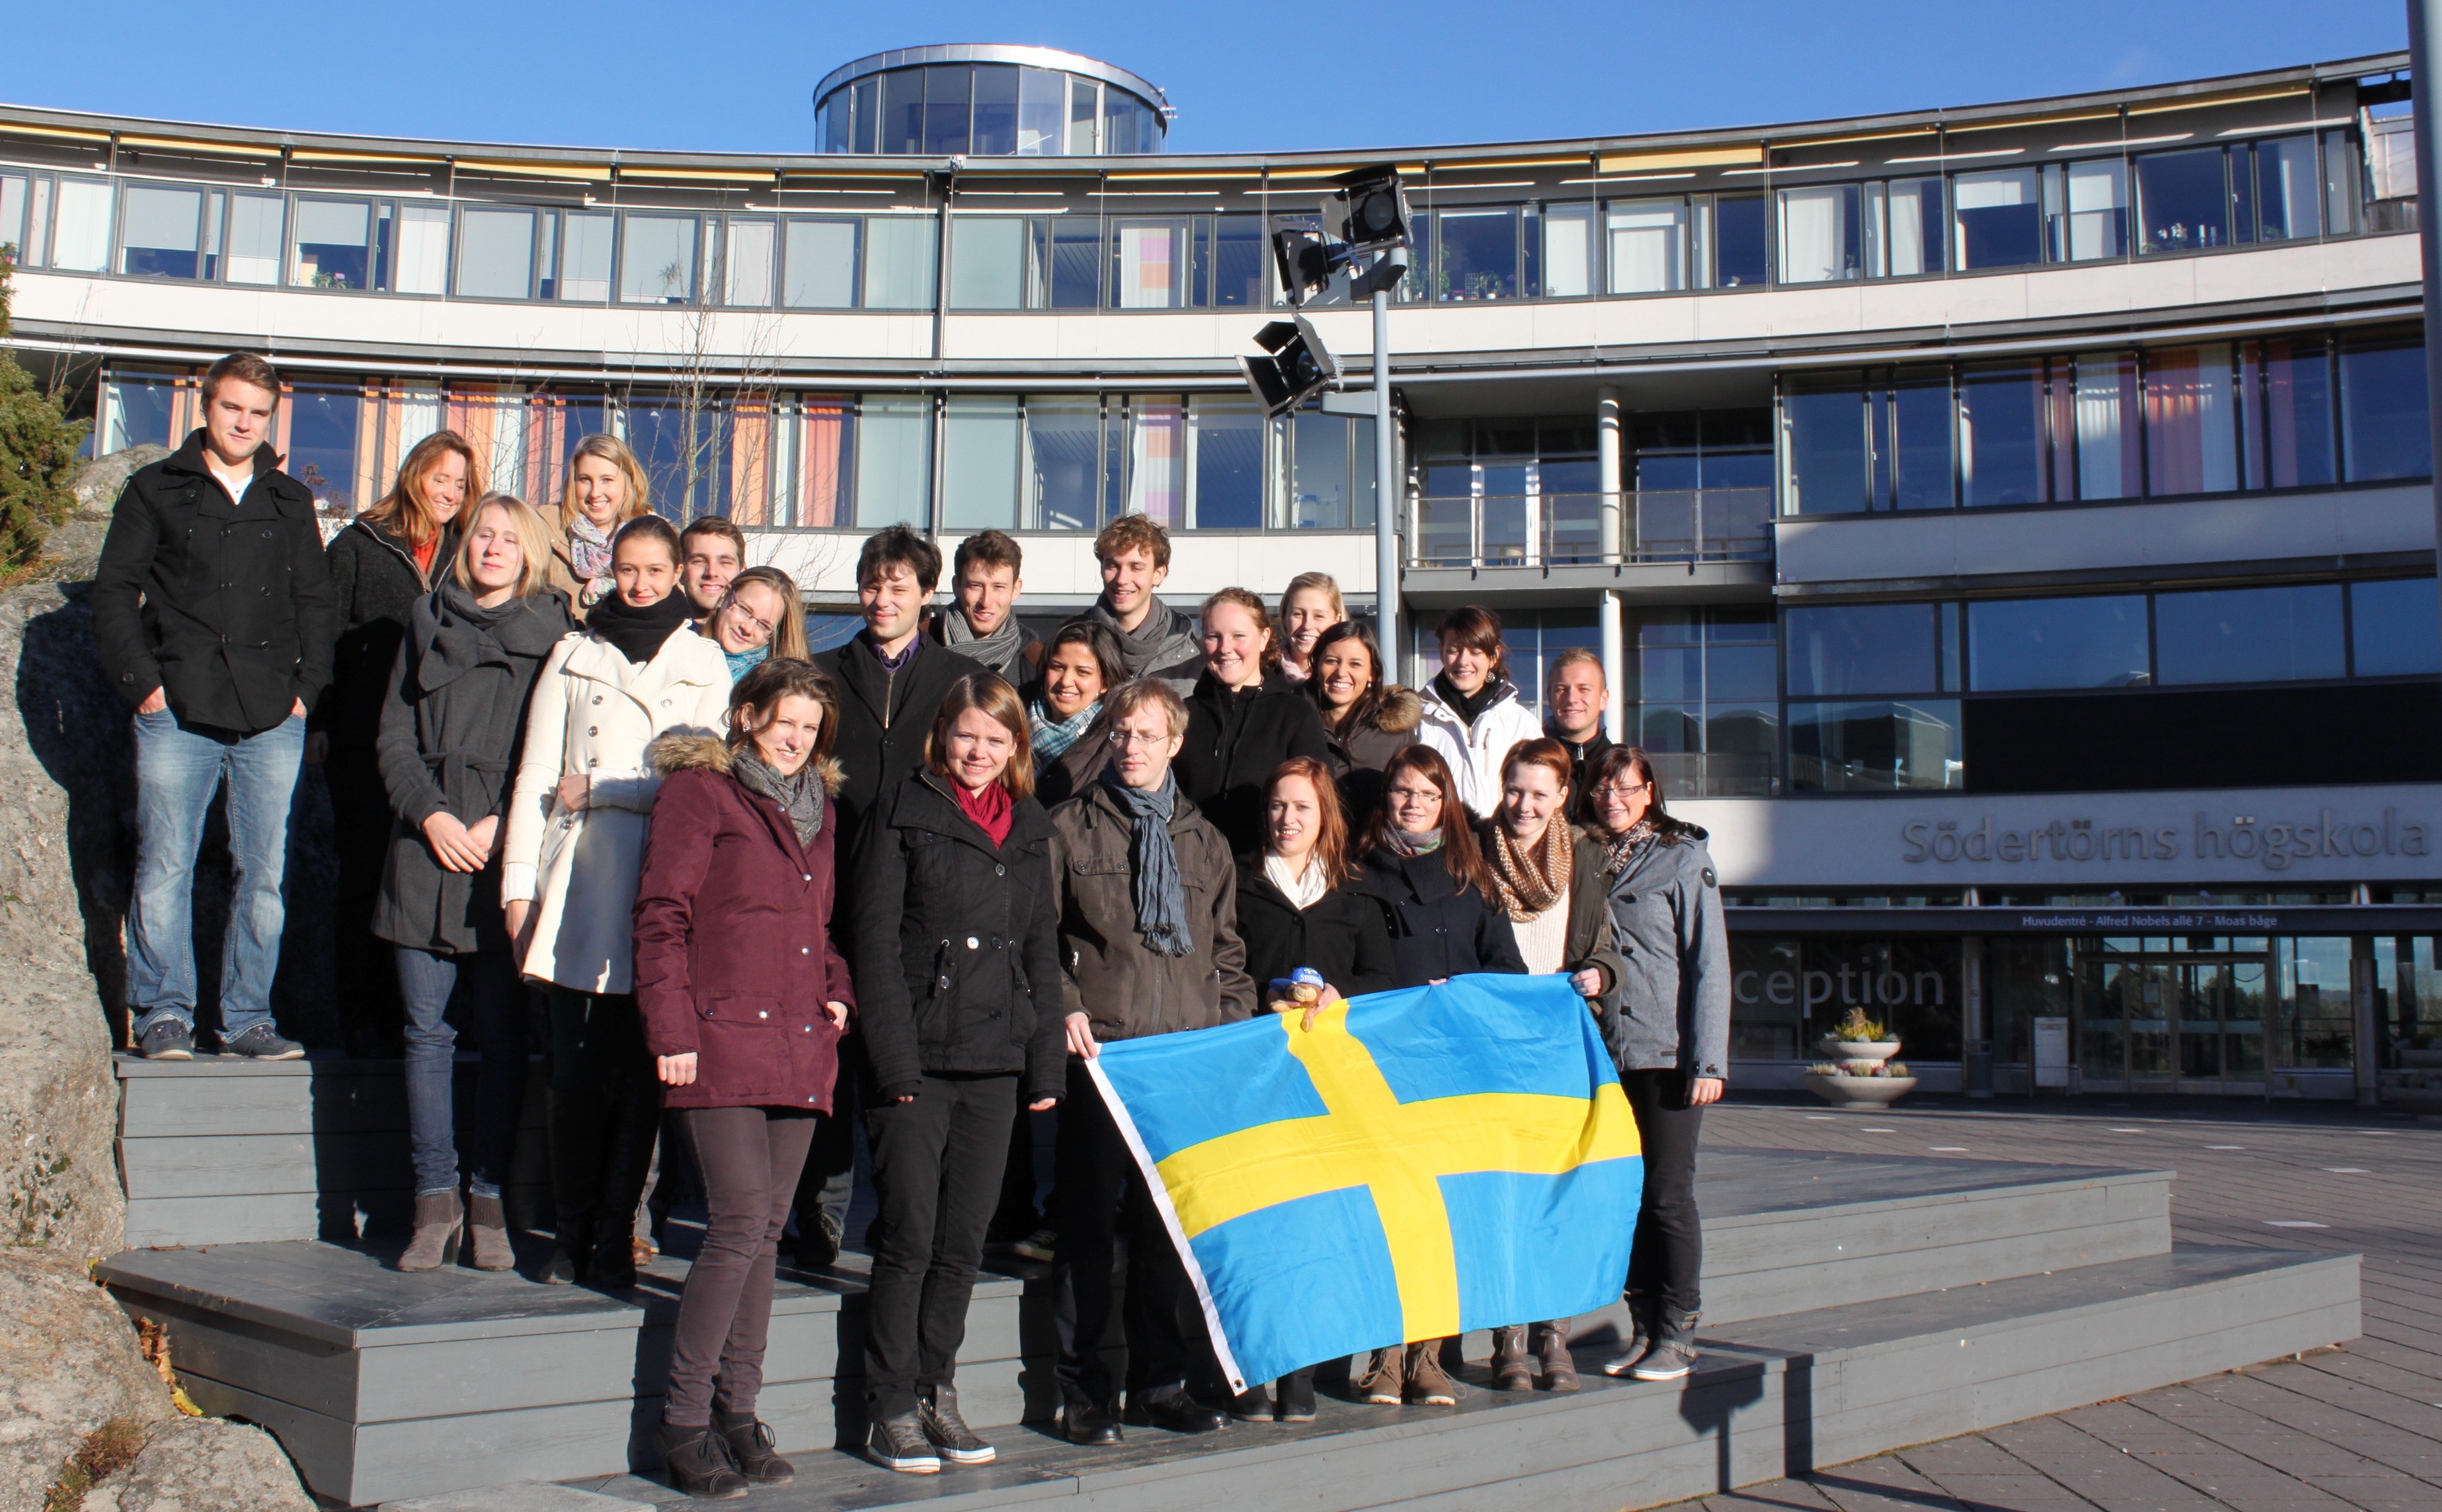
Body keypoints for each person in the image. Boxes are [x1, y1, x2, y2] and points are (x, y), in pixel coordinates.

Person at [632, 658, 853, 1499]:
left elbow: (818, 925)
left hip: (800, 1039)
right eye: (783, 721)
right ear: (748, 715)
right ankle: (682, 1421)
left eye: (809, 728)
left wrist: (838, 990)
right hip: (718, 1035)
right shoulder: (702, 793)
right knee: (734, 1224)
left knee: (764, 1230)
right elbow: (662, 914)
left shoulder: (819, 811)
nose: (796, 740)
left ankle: (739, 1412)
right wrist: (670, 1028)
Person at [501, 514, 732, 1288]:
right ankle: (569, 1233)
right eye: (626, 569)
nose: (639, 584)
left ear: (676, 574)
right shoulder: (573, 652)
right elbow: (536, 775)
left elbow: (702, 783)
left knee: (639, 1081)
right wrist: (516, 886)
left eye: (653, 570)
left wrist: (603, 788)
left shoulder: (705, 661)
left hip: (664, 890)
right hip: (575, 885)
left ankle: (612, 1235)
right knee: (573, 1077)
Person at [850, 673, 1065, 1475]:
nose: (978, 751)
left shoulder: (1030, 826)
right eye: (966, 734)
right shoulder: (901, 811)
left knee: (963, 1241)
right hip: (916, 1056)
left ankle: (938, 1389)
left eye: (996, 739)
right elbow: (873, 942)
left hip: (996, 1061)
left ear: (1015, 748)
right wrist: (893, 1058)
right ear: (942, 734)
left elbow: (1040, 950)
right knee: (908, 1236)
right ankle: (892, 1405)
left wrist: (1043, 1058)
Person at [93, 353, 336, 1061]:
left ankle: (246, 1018)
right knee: (165, 865)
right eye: (233, 408)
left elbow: (315, 604)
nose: (244, 423)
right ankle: (162, 1013)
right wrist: (143, 684)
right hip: (178, 708)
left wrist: (306, 692)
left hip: (270, 714)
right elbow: (114, 591)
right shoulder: (154, 488)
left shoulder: (289, 500)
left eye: (258, 413)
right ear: (208, 406)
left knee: (262, 874)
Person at [371, 495, 575, 1273]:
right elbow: (391, 733)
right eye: (483, 534)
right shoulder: (425, 618)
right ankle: (434, 1201)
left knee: (502, 1037)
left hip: (504, 847)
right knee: (425, 1034)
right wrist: (430, 815)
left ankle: (487, 1196)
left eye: (508, 538)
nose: (493, 546)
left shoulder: (555, 636)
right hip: (425, 845)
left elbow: (552, 748)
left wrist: (496, 823)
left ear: (529, 553)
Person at [1051, 678, 1254, 1444]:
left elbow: (1228, 952)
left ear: (1174, 742)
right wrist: (1066, 1003)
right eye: (1121, 733)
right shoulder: (1069, 827)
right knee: (1088, 1229)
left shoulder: (1203, 839)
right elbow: (1041, 934)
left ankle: (1159, 1379)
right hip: (1104, 1056)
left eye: (1147, 734)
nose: (1132, 747)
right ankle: (1083, 1387)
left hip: (1185, 1063)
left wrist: (1226, 1037)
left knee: (1168, 1231)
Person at [798, 525, 978, 1269]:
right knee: (828, 1055)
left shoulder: (956, 678)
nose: (881, 598)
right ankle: (819, 1212)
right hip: (831, 886)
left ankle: (891, 1215)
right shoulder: (825, 671)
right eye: (872, 584)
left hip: (917, 896)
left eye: (898, 586)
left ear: (926, 595)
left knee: (897, 1055)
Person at [1348, 743, 1527, 1409]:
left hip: (1451, 1070)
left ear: (1446, 802)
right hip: (1381, 1068)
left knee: (1439, 1219)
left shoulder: (1471, 875)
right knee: (1387, 1214)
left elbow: (1508, 970)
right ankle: (1383, 1358)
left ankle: (1429, 1356)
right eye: (1401, 790)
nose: (1413, 803)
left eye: (1428, 792)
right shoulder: (1357, 871)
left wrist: (1466, 990)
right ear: (1384, 796)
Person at [1226, 755, 1393, 1426]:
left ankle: (1299, 1373)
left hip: (1327, 1090)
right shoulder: (1236, 880)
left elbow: (1383, 978)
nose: (1287, 819)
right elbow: (1219, 962)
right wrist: (1256, 996)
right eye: (1277, 805)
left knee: (1311, 1231)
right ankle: (1245, 1370)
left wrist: (1337, 993)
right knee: (1253, 1229)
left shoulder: (1353, 892)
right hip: (1254, 1082)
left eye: (1301, 808)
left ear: (1324, 815)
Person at [315, 429, 482, 1056]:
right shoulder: (360, 544)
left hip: (434, 743)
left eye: (460, 484)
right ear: (414, 475)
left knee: (418, 882)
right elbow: (327, 634)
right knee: (362, 875)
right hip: (361, 736)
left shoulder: (465, 551)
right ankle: (360, 1020)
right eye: (440, 478)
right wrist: (321, 722)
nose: (449, 492)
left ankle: (416, 1023)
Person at [1476, 737, 1630, 1395]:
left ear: (1563, 796)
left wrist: (1600, 972)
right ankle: (1509, 1340)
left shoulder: (1589, 855)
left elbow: (1606, 940)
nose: (1524, 805)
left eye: (1540, 793)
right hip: (1495, 1044)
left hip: (1565, 1040)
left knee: (1559, 1193)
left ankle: (1554, 1338)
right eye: (1515, 790)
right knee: (1506, 1192)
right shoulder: (1475, 849)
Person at [1582, 745, 1729, 1386]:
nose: (1611, 797)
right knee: (1626, 1198)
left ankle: (1679, 1332)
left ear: (1648, 792)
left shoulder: (1681, 859)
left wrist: (1708, 1060)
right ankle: (1642, 1328)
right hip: (1605, 1053)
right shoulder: (1584, 859)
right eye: (1602, 787)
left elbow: (1709, 966)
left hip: (1666, 1055)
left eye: (1625, 787)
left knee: (1668, 1196)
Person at [1174, 588, 1330, 855]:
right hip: (1187, 874)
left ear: (1263, 638)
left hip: (1263, 874)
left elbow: (1320, 804)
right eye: (1213, 636)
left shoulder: (1294, 715)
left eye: (1238, 636)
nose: (1225, 649)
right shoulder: (1181, 716)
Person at [1415, 607, 1542, 818]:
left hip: (1502, 843)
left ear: (1494, 656)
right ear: (1441, 651)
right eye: (1454, 650)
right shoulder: (1418, 719)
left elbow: (1538, 791)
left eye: (1475, 652)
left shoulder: (1521, 724)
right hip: (1441, 844)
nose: (1463, 661)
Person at [1301, 621, 1420, 821]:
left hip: (1369, 847)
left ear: (1372, 673)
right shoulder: (1292, 717)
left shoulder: (1395, 732)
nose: (1341, 672)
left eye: (1355, 664)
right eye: (1331, 661)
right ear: (1316, 664)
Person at [1077, 514, 1200, 687]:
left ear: (1158, 574)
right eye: (1113, 565)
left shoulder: (1191, 645)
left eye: (1136, 567)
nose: (1121, 579)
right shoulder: (1074, 638)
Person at [541, 435, 651, 617]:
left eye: (606, 480)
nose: (595, 492)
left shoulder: (655, 537)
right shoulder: (545, 530)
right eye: (585, 479)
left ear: (628, 482)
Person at [1025, 620, 1126, 809]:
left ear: (1105, 682)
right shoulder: (1010, 717)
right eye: (1058, 667)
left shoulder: (1117, 740)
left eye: (1083, 672)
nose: (1066, 681)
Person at [932, 529, 1041, 678]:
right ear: (957, 586)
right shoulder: (917, 646)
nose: (986, 601)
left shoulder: (1037, 663)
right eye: (975, 586)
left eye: (998, 587)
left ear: (1016, 589)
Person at [703, 564, 809, 684]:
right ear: (725, 596)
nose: (747, 628)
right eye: (745, 610)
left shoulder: (772, 687)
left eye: (764, 625)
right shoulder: (684, 648)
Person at [1544, 647, 1614, 820]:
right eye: (1561, 689)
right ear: (1550, 698)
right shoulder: (1531, 763)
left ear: (1603, 699)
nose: (1571, 699)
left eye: (1583, 689)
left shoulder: (1620, 767)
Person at [1276, 572, 1344, 684]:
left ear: (1336, 620)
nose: (1307, 625)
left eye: (1319, 616)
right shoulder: (1262, 672)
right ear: (1284, 617)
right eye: (1298, 614)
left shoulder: (1346, 678)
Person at [678, 514, 746, 622]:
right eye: (699, 561)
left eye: (725, 562)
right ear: (680, 572)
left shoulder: (756, 635)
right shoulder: (660, 636)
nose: (711, 572)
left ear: (742, 572)